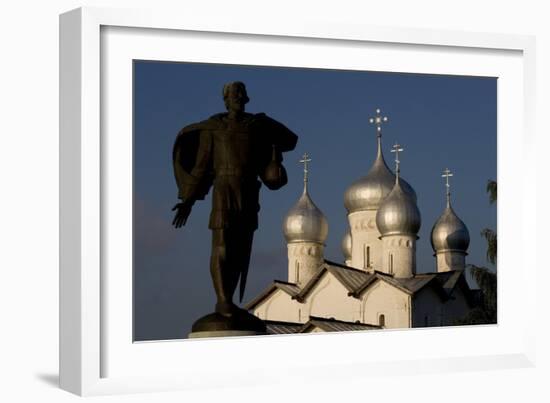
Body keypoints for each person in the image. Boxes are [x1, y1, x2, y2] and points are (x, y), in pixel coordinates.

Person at [172, 81, 297, 321]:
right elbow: (201, 168)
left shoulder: (255, 127)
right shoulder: (213, 129)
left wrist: (266, 121)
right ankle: (223, 300)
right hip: (223, 190)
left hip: (249, 192)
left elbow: (290, 140)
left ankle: (229, 298)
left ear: (246, 98)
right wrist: (188, 201)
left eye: (241, 94)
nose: (238, 97)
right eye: (233, 94)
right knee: (222, 246)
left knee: (240, 250)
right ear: (226, 100)